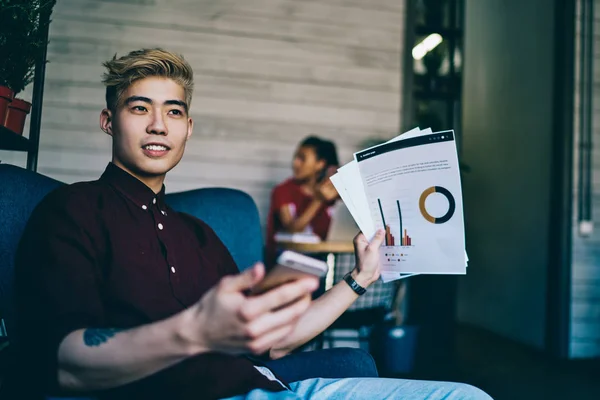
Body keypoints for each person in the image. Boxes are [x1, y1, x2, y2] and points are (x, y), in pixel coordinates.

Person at [12, 48, 492, 400]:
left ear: (187, 129)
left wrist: (361, 276)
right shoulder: (71, 211)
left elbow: (277, 339)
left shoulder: (199, 235)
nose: (158, 124)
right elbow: (66, 361)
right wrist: (194, 332)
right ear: (108, 121)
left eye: (173, 111)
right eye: (140, 108)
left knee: (468, 397)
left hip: (273, 388)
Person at [265, 136, 340, 267]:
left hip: (322, 262)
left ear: (320, 164)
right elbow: (292, 230)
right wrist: (318, 200)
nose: (295, 163)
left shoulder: (333, 196)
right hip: (284, 264)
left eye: (302, 159)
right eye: (295, 158)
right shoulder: (283, 191)